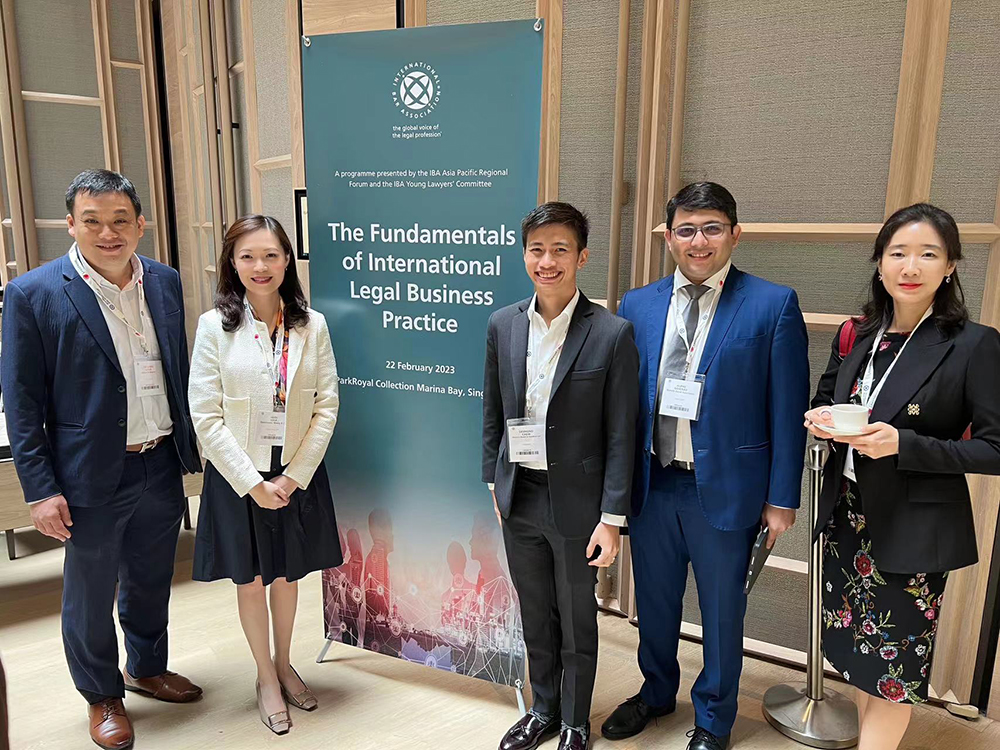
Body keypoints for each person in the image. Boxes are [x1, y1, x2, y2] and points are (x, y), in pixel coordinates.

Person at [0, 169, 203, 750]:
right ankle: (101, 693)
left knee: (151, 578)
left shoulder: (163, 280)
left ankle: (147, 667)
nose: (108, 233)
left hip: (158, 458)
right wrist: (40, 490)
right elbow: (22, 401)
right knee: (89, 592)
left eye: (120, 220)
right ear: (71, 224)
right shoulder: (34, 293)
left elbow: (176, 367)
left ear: (141, 224)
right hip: (86, 472)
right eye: (92, 221)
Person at [606, 182, 809, 750]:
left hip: (725, 488)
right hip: (653, 482)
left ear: (735, 234)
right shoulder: (638, 304)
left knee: (722, 612)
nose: (699, 241)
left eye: (712, 228)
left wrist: (782, 498)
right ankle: (655, 692)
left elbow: (787, 408)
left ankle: (714, 718)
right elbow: (624, 404)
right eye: (687, 230)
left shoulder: (771, 303)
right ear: (669, 238)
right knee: (654, 603)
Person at [804, 203, 1000, 750]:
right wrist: (820, 420)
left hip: (913, 533)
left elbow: (995, 448)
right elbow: (825, 398)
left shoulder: (974, 343)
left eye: (928, 254)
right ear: (880, 262)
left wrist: (904, 444)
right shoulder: (859, 334)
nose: (910, 267)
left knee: (894, 673)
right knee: (861, 657)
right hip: (847, 520)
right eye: (898, 253)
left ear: (950, 265)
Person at [482, 202, 639, 750]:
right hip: (519, 494)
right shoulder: (503, 324)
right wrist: (493, 483)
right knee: (535, 613)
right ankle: (543, 709)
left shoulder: (612, 333)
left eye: (560, 250)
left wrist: (612, 518)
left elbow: (621, 433)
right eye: (537, 249)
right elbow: (493, 411)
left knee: (576, 618)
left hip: (579, 503)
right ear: (524, 254)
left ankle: (575, 721)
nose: (547, 261)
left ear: (582, 257)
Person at [188, 214, 342, 735]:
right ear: (232, 263)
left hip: (295, 473)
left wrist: (293, 477)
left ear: (287, 260)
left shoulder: (311, 325)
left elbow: (327, 406)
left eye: (271, 255)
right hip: (239, 477)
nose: (261, 266)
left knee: (288, 575)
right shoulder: (214, 326)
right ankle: (265, 676)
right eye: (248, 256)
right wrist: (252, 483)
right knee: (252, 579)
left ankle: (284, 662)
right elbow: (205, 415)